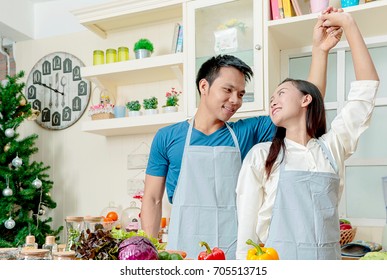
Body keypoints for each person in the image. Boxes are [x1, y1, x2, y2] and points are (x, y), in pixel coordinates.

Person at [141, 8, 343, 259]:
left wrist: (320, 51)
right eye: (228, 90)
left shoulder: (249, 131)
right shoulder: (167, 137)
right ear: (204, 85)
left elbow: (305, 102)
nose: (235, 100)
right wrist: (148, 254)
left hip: (235, 252)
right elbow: (151, 199)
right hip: (183, 249)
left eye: (240, 94)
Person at [235, 11, 379, 260]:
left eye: (281, 93)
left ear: (306, 99)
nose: (273, 101)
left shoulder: (332, 147)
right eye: (271, 98)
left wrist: (349, 24)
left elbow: (365, 92)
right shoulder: (262, 155)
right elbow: (246, 234)